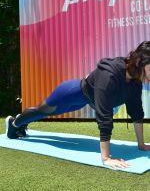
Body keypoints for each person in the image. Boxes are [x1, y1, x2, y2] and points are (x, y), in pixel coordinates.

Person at [6, 41, 150, 169]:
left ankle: (21, 122)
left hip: (87, 100)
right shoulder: (110, 75)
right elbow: (104, 116)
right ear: (140, 63)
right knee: (43, 111)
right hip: (73, 93)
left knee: (45, 112)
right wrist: (106, 158)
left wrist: (141, 145)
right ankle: (14, 124)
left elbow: (136, 111)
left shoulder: (135, 82)